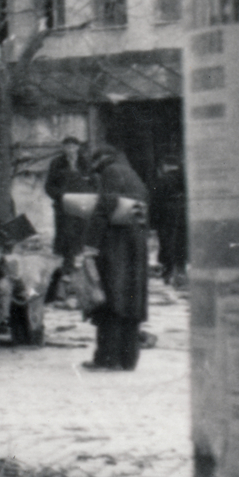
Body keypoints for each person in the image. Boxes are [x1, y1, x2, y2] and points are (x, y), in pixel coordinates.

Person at [82, 144, 150, 371]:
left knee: (111, 300)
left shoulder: (111, 172)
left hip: (116, 245)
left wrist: (90, 243)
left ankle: (106, 358)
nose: (94, 170)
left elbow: (106, 206)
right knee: (131, 301)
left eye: (94, 164)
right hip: (135, 245)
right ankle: (128, 359)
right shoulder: (132, 174)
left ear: (102, 159)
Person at [44, 137, 95, 275]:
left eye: (73, 146)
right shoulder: (56, 163)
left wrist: (89, 197)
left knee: (81, 235)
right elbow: (49, 186)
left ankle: (80, 267)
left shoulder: (86, 163)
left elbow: (94, 183)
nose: (70, 150)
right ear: (63, 148)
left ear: (78, 147)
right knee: (66, 235)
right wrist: (60, 196)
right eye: (67, 147)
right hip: (64, 205)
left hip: (82, 205)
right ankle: (67, 267)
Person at [150, 153, 188, 288]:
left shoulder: (162, 180)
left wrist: (152, 221)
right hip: (184, 215)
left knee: (167, 244)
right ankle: (181, 272)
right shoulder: (186, 178)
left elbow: (155, 201)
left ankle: (169, 274)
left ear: (164, 166)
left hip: (167, 216)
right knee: (181, 243)